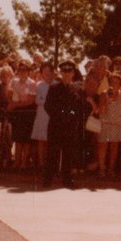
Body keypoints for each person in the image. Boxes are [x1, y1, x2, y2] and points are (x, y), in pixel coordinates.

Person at [42, 60, 81, 190]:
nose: (66, 74)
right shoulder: (54, 88)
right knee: (52, 153)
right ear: (61, 73)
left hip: (69, 127)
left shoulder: (76, 89)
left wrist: (71, 117)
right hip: (56, 126)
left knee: (68, 154)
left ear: (73, 73)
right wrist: (61, 115)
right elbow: (48, 106)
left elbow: (78, 108)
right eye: (64, 72)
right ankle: (48, 179)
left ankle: (67, 179)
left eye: (69, 72)